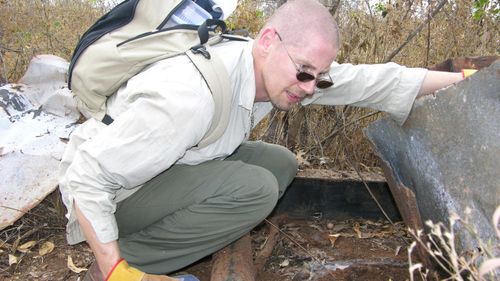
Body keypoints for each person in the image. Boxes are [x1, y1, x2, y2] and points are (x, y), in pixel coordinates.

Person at [58, 0, 468, 280]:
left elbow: (370, 82)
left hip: (160, 169)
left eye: (318, 76)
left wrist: (470, 81)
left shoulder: (271, 68)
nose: (310, 87)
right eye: (305, 72)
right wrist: (116, 268)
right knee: (255, 190)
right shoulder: (189, 97)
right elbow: (87, 178)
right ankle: (133, 258)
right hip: (110, 196)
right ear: (269, 41)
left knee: (280, 164)